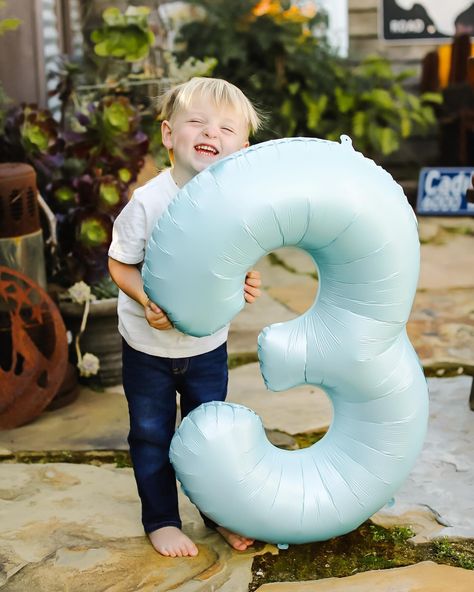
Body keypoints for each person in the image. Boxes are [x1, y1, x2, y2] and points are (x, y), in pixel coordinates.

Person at [108, 77, 263, 558]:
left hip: (206, 347)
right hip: (147, 349)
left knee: (209, 435)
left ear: (242, 147)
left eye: (226, 128)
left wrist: (244, 281)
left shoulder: (233, 207)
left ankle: (218, 515)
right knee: (152, 434)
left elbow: (234, 259)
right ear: (168, 134)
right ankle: (161, 519)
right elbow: (119, 262)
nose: (210, 133)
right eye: (196, 121)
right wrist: (144, 300)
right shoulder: (149, 203)